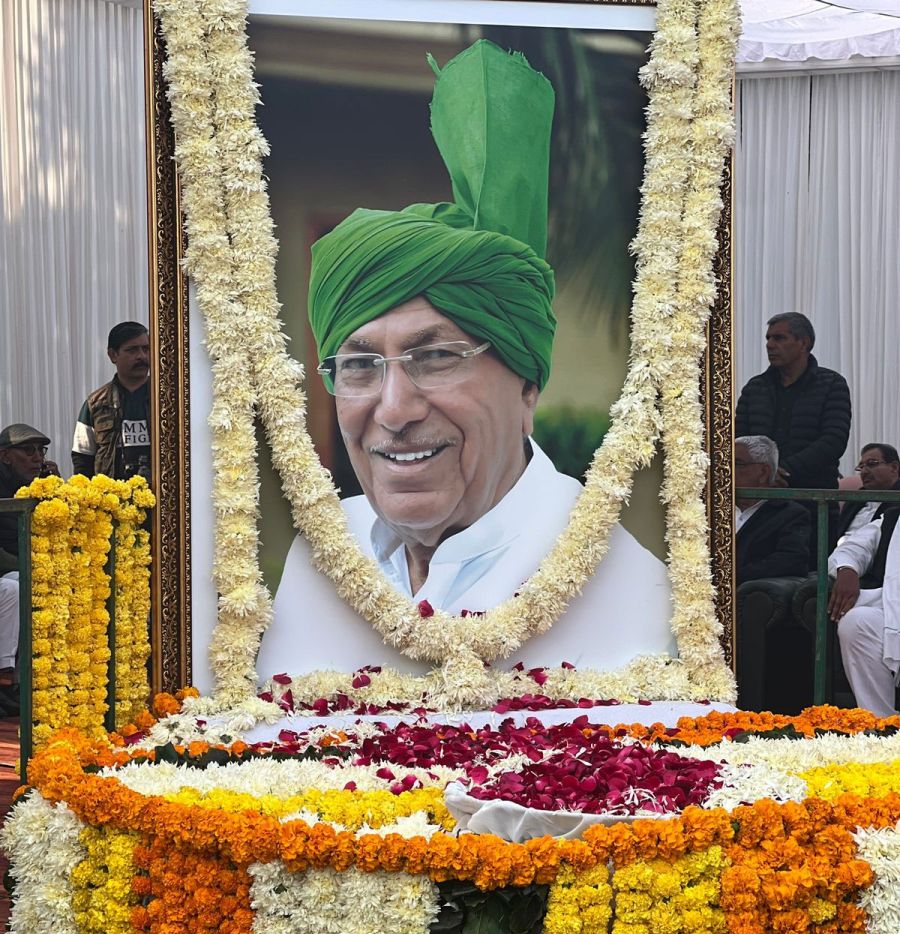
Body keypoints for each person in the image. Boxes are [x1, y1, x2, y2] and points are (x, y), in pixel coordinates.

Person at [257, 40, 673, 678]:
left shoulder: (628, 592)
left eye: (435, 357)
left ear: (527, 384)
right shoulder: (324, 553)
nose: (393, 411)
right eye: (361, 365)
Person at [735, 312, 851, 491]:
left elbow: (833, 441)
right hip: (759, 496)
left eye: (779, 338)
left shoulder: (832, 384)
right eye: (768, 338)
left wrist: (783, 472)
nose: (770, 345)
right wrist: (762, 474)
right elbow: (738, 439)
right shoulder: (755, 388)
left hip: (812, 495)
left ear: (804, 343)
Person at [0, 423, 59, 716]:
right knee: (17, 585)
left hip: (25, 567)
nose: (37, 457)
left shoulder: (39, 481)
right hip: (9, 572)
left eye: (41, 450)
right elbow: (10, 547)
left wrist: (58, 491)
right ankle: (7, 680)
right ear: (6, 456)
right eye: (28, 450)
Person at [827, 506, 900, 716]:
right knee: (857, 622)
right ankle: (881, 724)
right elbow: (850, 549)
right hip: (893, 610)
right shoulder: (892, 519)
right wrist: (847, 569)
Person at [72, 321, 151, 481]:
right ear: (113, 355)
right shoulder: (95, 404)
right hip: (112, 500)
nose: (141, 356)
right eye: (132, 350)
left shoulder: (167, 398)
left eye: (146, 349)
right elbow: (82, 458)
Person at [734, 436, 810, 584]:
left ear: (763, 472)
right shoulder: (712, 508)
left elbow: (792, 560)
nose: (725, 470)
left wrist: (730, 575)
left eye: (736, 463)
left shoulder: (789, 514)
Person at [833, 443, 900, 543]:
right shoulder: (855, 500)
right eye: (861, 467)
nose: (864, 471)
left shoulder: (896, 501)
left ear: (894, 467)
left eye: (872, 464)